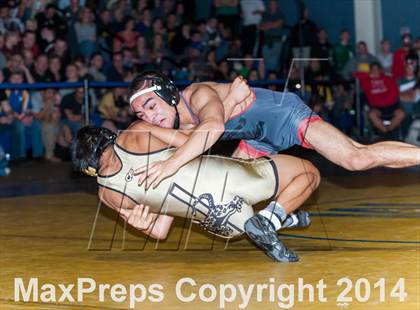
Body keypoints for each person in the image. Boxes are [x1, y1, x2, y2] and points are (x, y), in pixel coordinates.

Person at [72, 123, 321, 262]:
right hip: (234, 178)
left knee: (249, 220)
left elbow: (158, 232)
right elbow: (200, 141)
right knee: (308, 173)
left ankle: (277, 220)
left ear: (90, 169)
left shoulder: (107, 195)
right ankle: (271, 219)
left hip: (224, 223)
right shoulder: (133, 136)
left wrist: (143, 227)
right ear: (106, 137)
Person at [128, 71, 420, 188]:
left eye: (152, 106)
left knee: (356, 159)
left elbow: (214, 126)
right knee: (225, 190)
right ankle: (284, 216)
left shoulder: (197, 95)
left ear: (169, 95)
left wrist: (169, 164)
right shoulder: (183, 125)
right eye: (142, 114)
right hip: (257, 138)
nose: (150, 117)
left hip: (283, 116)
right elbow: (200, 140)